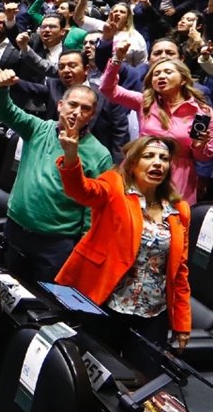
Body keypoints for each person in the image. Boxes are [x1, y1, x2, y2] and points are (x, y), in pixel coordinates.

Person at [55, 134, 191, 359]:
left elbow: (180, 272)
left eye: (164, 158)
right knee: (96, 376)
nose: (158, 162)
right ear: (133, 162)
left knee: (144, 384)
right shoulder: (114, 186)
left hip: (152, 314)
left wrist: (182, 323)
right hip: (108, 305)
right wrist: (71, 156)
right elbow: (81, 190)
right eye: (149, 156)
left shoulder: (180, 210)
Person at [0, 70, 114, 282]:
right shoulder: (38, 128)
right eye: (72, 104)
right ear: (60, 105)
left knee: (44, 305)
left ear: (91, 116)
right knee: (8, 291)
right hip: (16, 228)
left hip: (56, 243)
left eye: (85, 109)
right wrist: (1, 89)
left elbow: (94, 210)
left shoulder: (100, 154)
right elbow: (5, 111)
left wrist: (82, 249)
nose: (77, 112)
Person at [100, 43, 213, 204]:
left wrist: (199, 145)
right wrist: (117, 59)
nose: (161, 76)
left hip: (179, 177)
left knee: (171, 224)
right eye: (156, 74)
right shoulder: (145, 102)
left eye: (168, 72)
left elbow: (202, 157)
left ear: (183, 80)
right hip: (140, 170)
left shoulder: (202, 112)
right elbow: (108, 89)